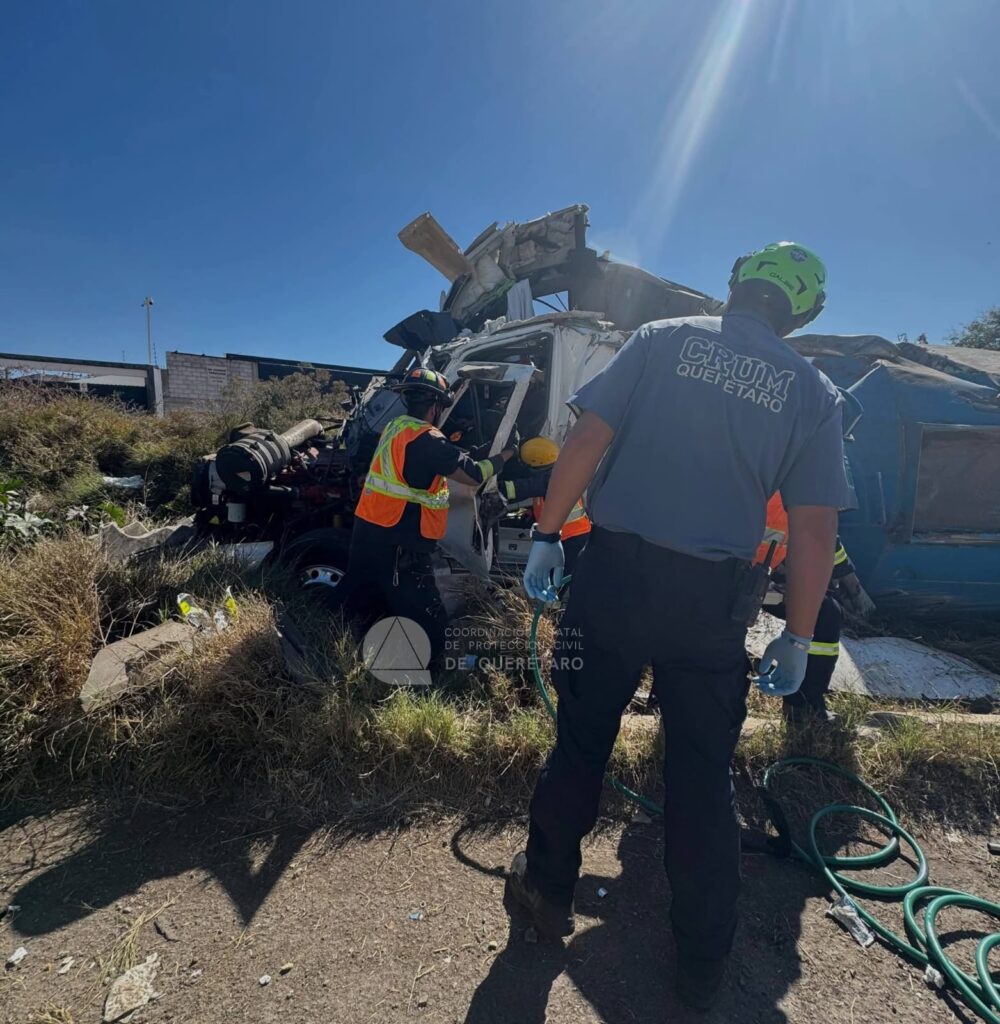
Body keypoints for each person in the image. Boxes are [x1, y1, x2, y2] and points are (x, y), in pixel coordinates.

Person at [506, 241, 854, 1012]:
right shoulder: (812, 390)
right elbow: (814, 525)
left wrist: (546, 533)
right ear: (802, 313)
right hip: (713, 604)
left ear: (737, 283)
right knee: (700, 777)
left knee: (581, 744)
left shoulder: (661, 341)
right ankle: (701, 959)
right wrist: (797, 636)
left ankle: (546, 897)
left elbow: (588, 440)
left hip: (616, 578)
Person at [330, 367, 517, 661]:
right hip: (402, 536)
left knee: (357, 586)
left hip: (370, 524)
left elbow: (420, 466)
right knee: (421, 605)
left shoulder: (395, 428)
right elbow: (473, 475)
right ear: (435, 406)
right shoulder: (429, 439)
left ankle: (327, 633)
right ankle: (435, 665)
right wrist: (505, 455)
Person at [758, 491, 876, 723]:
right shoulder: (763, 479)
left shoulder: (805, 489)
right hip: (724, 577)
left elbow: (824, 539)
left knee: (826, 613)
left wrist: (850, 582)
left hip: (767, 579)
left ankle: (804, 704)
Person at [500, 436, 592, 576]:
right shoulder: (559, 471)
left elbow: (520, 488)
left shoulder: (548, 479)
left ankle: (552, 597)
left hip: (571, 538)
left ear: (535, 465)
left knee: (556, 577)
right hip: (574, 535)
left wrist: (495, 488)